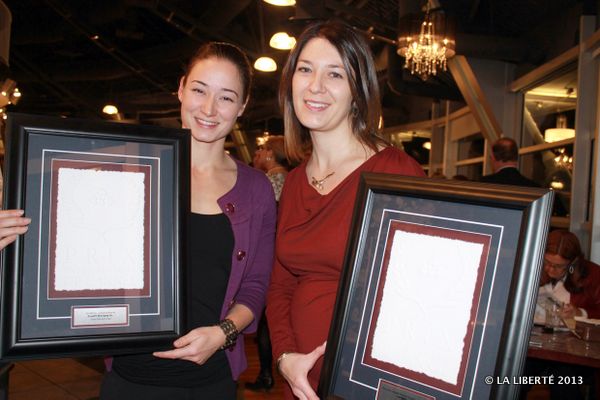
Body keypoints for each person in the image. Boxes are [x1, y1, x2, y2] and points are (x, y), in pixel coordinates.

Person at [100, 42, 277, 399]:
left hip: (209, 380)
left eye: (226, 97)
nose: (209, 108)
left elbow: (256, 286)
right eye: (199, 90)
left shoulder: (256, 189)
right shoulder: (125, 169)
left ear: (242, 106)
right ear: (181, 88)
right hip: (128, 375)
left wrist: (223, 332)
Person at [265, 19, 425, 400]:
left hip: (369, 382)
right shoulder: (296, 183)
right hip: (300, 381)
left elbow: (422, 292)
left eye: (334, 74)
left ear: (358, 91)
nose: (315, 86)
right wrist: (285, 357)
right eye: (305, 69)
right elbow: (280, 285)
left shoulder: (395, 171)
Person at [522, 229, 600, 400]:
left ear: (572, 264)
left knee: (563, 381)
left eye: (558, 266)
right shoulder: (534, 267)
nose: (550, 269)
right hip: (538, 348)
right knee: (513, 370)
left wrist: (580, 312)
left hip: (573, 354)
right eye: (547, 262)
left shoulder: (593, 275)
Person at [244, 135, 290, 392]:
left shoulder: (271, 181)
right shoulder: (291, 179)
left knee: (266, 319)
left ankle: (266, 374)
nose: (258, 153)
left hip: (270, 258)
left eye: (262, 149)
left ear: (271, 154)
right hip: (280, 257)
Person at [253, 135, 289, 201]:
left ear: (270, 153)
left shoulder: (269, 181)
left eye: (262, 148)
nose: (257, 152)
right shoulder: (288, 175)